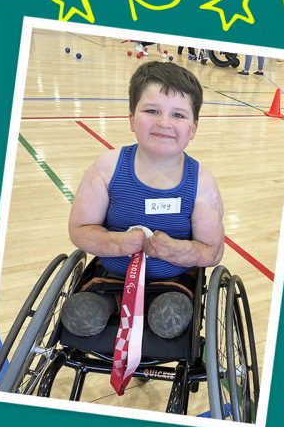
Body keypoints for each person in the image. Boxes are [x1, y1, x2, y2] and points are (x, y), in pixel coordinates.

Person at [64, 61, 224, 340]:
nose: (164, 123)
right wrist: (116, 243)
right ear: (131, 119)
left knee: (169, 319)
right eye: (152, 111)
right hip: (112, 278)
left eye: (178, 115)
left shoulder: (202, 183)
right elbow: (79, 229)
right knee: (79, 317)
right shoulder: (106, 168)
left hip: (173, 282)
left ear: (193, 129)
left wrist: (174, 250)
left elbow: (212, 252)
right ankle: (113, 303)